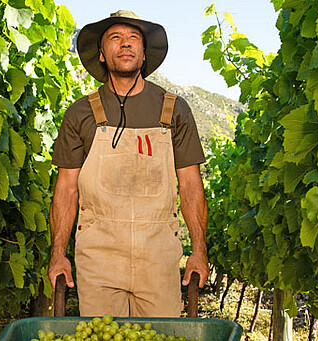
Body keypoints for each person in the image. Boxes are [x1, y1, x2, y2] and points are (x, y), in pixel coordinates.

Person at [47, 10, 210, 317]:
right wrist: (58, 254)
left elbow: (190, 185)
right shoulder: (80, 113)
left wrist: (199, 251)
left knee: (161, 337)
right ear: (101, 54)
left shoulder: (174, 110)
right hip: (98, 259)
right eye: (115, 38)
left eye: (134, 38)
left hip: (158, 258)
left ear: (144, 53)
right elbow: (67, 189)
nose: (126, 44)